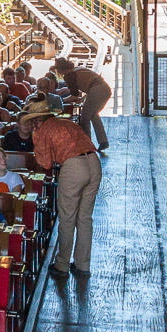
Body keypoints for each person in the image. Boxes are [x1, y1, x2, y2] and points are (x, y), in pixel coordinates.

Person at [28, 101, 101, 277]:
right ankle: (83, 265)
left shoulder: (42, 130)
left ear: (38, 120)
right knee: (84, 218)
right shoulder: (67, 123)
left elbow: (44, 163)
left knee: (67, 218)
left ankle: (62, 264)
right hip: (94, 163)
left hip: (73, 167)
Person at [54, 57, 111, 151]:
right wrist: (82, 98)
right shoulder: (77, 70)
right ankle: (103, 141)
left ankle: (87, 144)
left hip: (96, 90)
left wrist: (60, 100)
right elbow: (87, 87)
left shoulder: (69, 75)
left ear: (60, 69)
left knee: (85, 117)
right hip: (103, 88)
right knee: (93, 114)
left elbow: (74, 96)